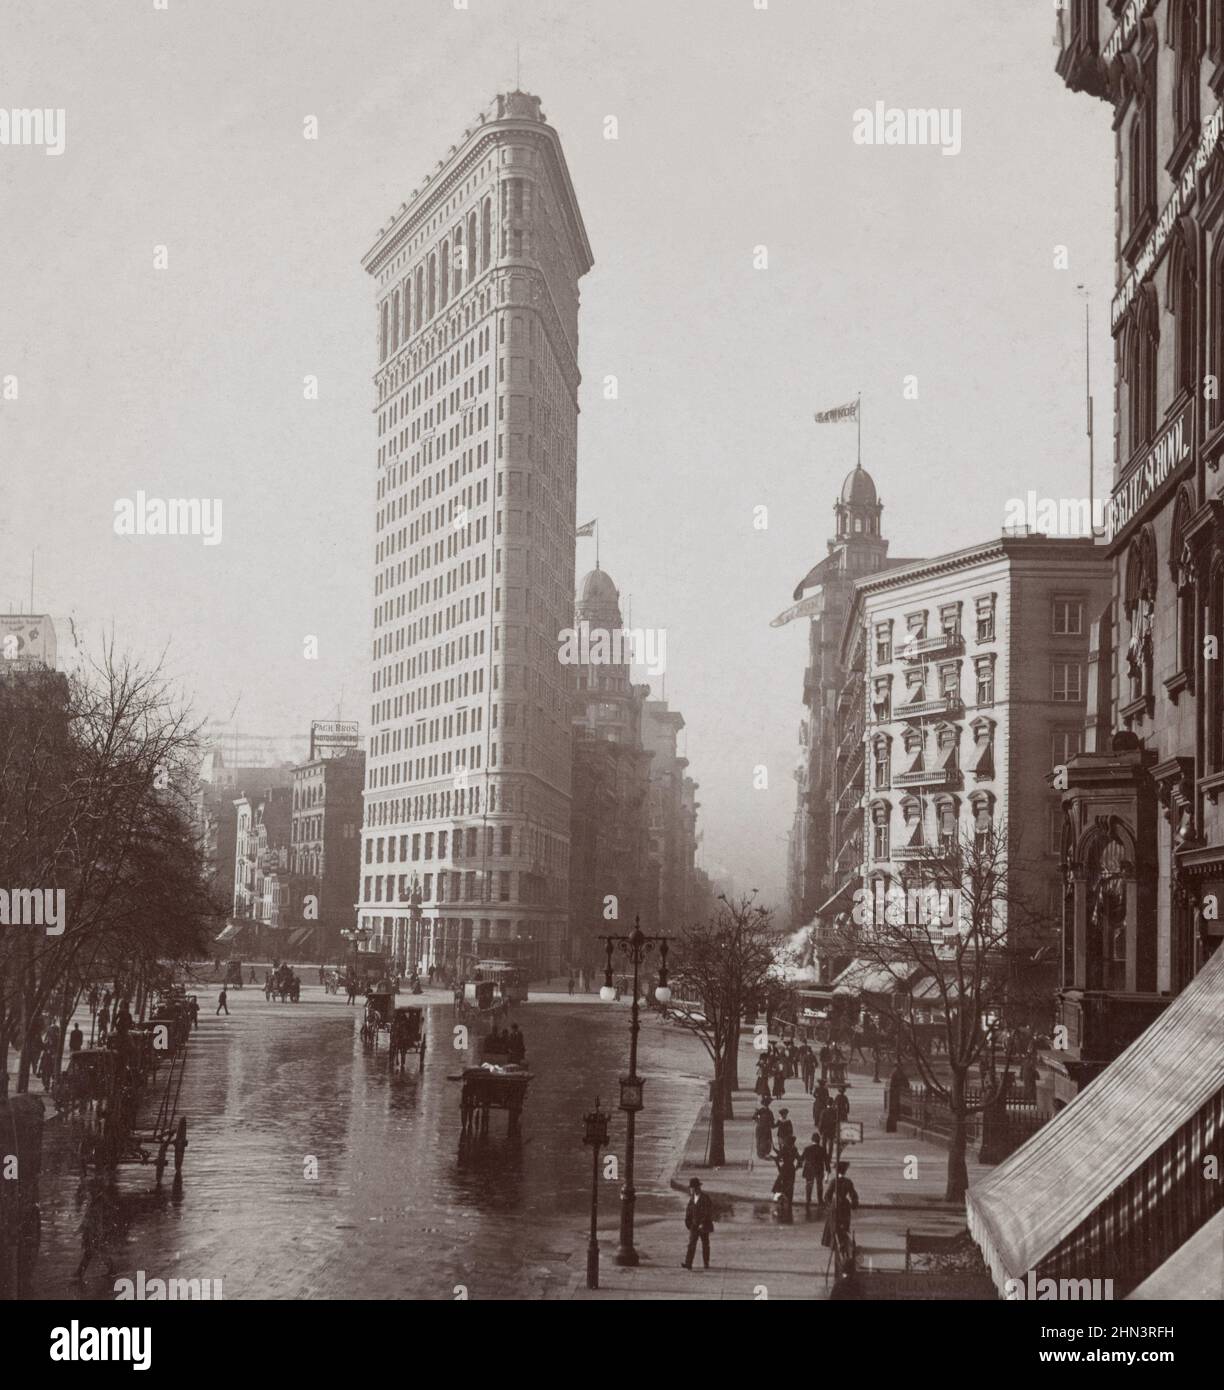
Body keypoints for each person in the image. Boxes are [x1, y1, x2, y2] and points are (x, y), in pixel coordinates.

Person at [821, 1161, 860, 1251]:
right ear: (845, 1171)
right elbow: (853, 1195)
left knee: (834, 1224)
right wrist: (854, 1204)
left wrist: (829, 1205)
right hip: (845, 1205)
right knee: (844, 1224)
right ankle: (842, 1242)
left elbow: (827, 1196)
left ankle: (834, 1243)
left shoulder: (834, 1181)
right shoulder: (848, 1182)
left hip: (835, 1205)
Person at [682, 1177, 713, 1270]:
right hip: (694, 1225)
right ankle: (688, 1263)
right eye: (690, 1188)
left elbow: (708, 1212)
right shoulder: (692, 1198)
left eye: (692, 1188)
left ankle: (706, 1263)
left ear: (697, 1188)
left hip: (703, 1225)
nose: (690, 1190)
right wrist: (688, 1222)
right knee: (691, 1244)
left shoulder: (705, 1198)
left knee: (705, 1244)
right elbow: (689, 1211)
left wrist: (703, 1223)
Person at [801, 1132, 828, 1217]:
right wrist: (827, 1173)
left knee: (809, 1185)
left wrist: (797, 1166)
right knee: (819, 1185)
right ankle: (820, 1200)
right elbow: (826, 1162)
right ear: (819, 1140)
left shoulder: (807, 1149)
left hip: (809, 1169)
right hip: (819, 1170)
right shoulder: (822, 1149)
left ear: (812, 1140)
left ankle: (808, 1200)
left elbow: (801, 1159)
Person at [771, 1137, 800, 1216]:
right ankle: (789, 1203)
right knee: (790, 1186)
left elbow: (778, 1158)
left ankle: (780, 1202)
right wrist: (796, 1168)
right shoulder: (794, 1149)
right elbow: (800, 1160)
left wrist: (778, 1167)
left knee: (780, 1184)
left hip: (784, 1169)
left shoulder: (784, 1148)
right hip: (791, 1169)